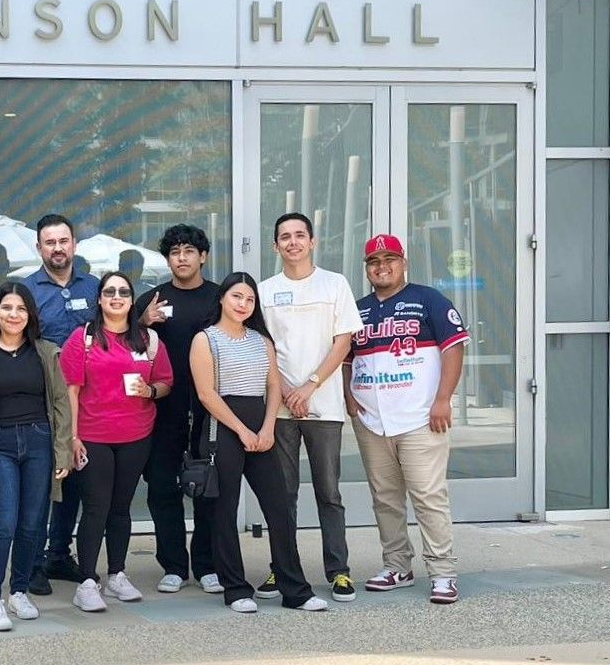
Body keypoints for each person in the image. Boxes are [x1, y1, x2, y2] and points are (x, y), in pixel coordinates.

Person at [190, 272, 328, 613]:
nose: (243, 304)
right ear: (222, 298)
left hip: (261, 425)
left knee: (279, 508)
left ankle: (295, 589)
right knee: (224, 510)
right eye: (237, 297)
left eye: (249, 299)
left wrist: (267, 429)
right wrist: (241, 431)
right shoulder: (205, 340)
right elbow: (207, 395)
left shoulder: (261, 341)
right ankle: (235, 589)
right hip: (224, 426)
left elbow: (274, 388)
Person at [345, 234, 469, 605]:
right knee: (385, 498)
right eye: (374, 262)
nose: (382, 267)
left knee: (428, 497)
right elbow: (347, 355)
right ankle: (397, 565)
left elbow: (454, 347)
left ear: (403, 263)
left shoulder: (428, 299)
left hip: (420, 418)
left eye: (389, 260)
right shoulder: (359, 309)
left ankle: (443, 572)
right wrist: (349, 396)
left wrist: (444, 399)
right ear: (366, 268)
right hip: (372, 420)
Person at [256, 212, 362, 603]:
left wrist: (309, 386)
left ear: (313, 241)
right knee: (282, 495)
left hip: (325, 405)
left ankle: (339, 571)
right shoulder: (265, 291)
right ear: (275, 246)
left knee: (328, 492)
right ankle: (281, 569)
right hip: (279, 407)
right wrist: (285, 390)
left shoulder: (335, 284)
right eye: (285, 236)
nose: (293, 242)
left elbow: (343, 342)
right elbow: (263, 347)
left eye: (300, 235)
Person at [0, 282, 73, 631]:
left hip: (39, 440)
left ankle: (19, 590)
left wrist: (63, 451)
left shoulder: (46, 352)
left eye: (21, 309)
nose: (14, 315)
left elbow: (60, 404)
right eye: (7, 308)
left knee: (32, 523)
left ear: (30, 315)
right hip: (1, 445)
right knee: (4, 523)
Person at [59, 271, 173, 612]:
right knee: (96, 507)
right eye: (109, 291)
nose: (117, 296)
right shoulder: (83, 339)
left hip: (136, 436)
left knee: (121, 508)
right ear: (99, 299)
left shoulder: (148, 340)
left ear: (130, 298)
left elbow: (166, 381)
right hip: (93, 437)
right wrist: (73, 437)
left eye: (123, 291)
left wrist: (150, 390)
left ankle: (117, 574)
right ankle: (87, 581)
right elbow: (70, 391)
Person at [135, 224, 222, 594]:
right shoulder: (152, 299)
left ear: (202, 256)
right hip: (162, 408)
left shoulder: (220, 297)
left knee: (209, 488)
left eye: (188, 251)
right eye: (174, 252)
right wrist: (142, 323)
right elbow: (125, 347)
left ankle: (207, 564)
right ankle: (172, 564)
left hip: (210, 408)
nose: (181, 258)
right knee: (161, 488)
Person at [24, 214, 99, 594]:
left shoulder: (95, 287)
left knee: (72, 482)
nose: (58, 248)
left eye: (64, 241)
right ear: (39, 248)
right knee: (42, 483)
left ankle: (58, 554)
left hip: (89, 404)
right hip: (41, 402)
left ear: (74, 245)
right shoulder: (26, 291)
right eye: (50, 242)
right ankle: (32, 563)